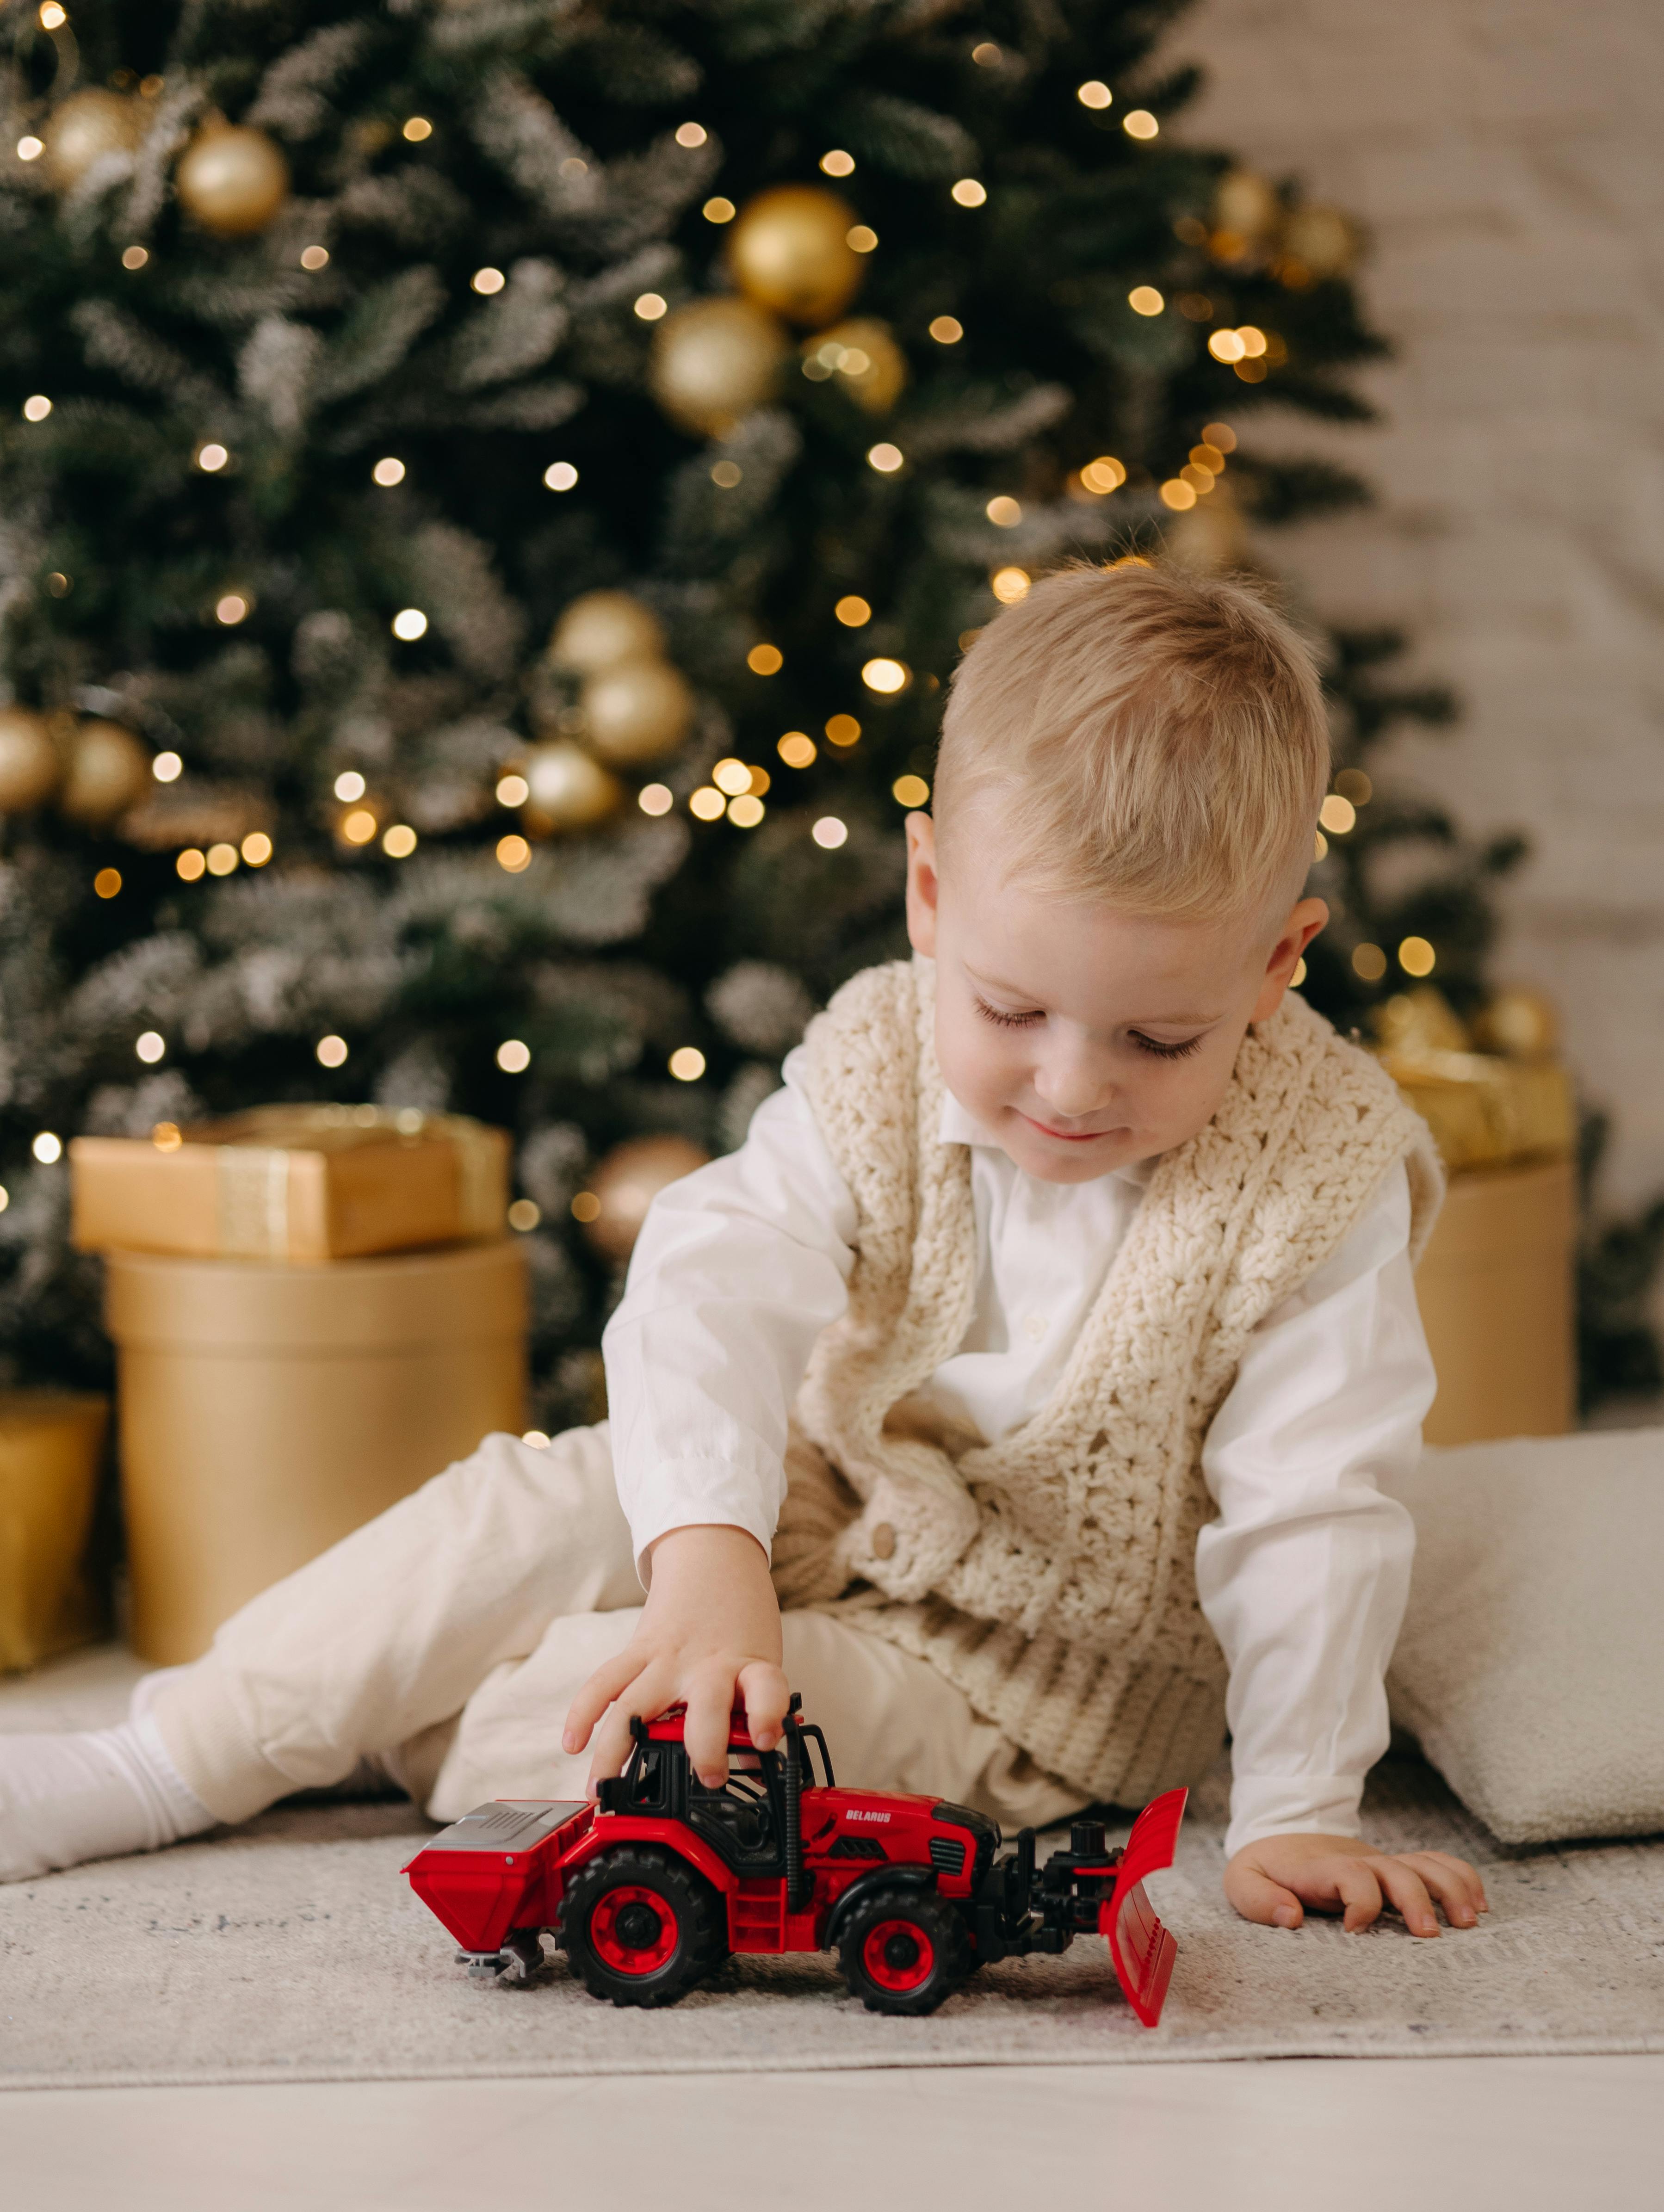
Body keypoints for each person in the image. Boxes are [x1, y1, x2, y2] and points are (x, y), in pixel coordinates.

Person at [0, 564, 1488, 1940]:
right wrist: (708, 1556)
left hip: (1020, 1687)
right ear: (927, 897)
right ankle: (162, 1762)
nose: (1073, 1082)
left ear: (1278, 962)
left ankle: (389, 1720)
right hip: (806, 1503)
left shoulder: (1319, 1170)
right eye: (1014, 1010)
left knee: (617, 1748)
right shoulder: (883, 1052)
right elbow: (716, 1275)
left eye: (1161, 1036)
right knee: (517, 1510)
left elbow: (1315, 1505)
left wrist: (1298, 1807)